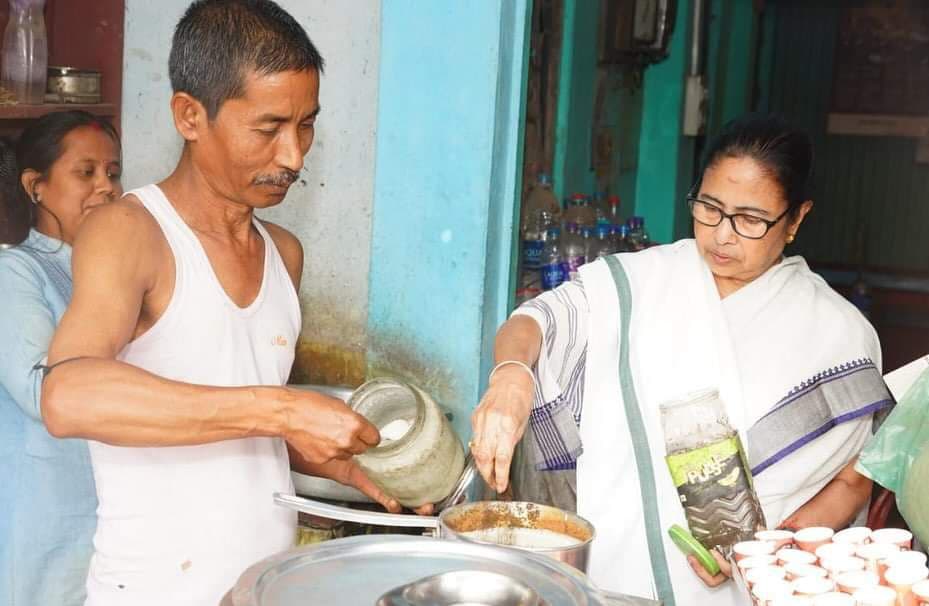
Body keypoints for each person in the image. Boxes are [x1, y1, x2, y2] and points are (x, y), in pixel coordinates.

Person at [39, 2, 423, 605]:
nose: (294, 156)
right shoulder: (131, 232)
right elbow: (67, 395)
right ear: (190, 116)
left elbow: (242, 424)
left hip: (258, 588)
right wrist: (284, 410)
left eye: (307, 126)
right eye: (269, 129)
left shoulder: (283, 254)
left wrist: (351, 466)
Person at [471, 114, 892, 605]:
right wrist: (511, 377)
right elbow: (536, 322)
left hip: (748, 589)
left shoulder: (836, 333)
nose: (723, 235)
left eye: (751, 220)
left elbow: (855, 477)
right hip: (608, 580)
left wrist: (767, 551)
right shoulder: (641, 283)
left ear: (796, 219)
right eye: (709, 207)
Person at [0, 111, 122, 606]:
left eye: (113, 172)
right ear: (36, 186)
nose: (106, 187)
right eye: (86, 172)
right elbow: (40, 392)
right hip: (46, 505)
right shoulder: (17, 273)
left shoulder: (113, 274)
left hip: (110, 505)